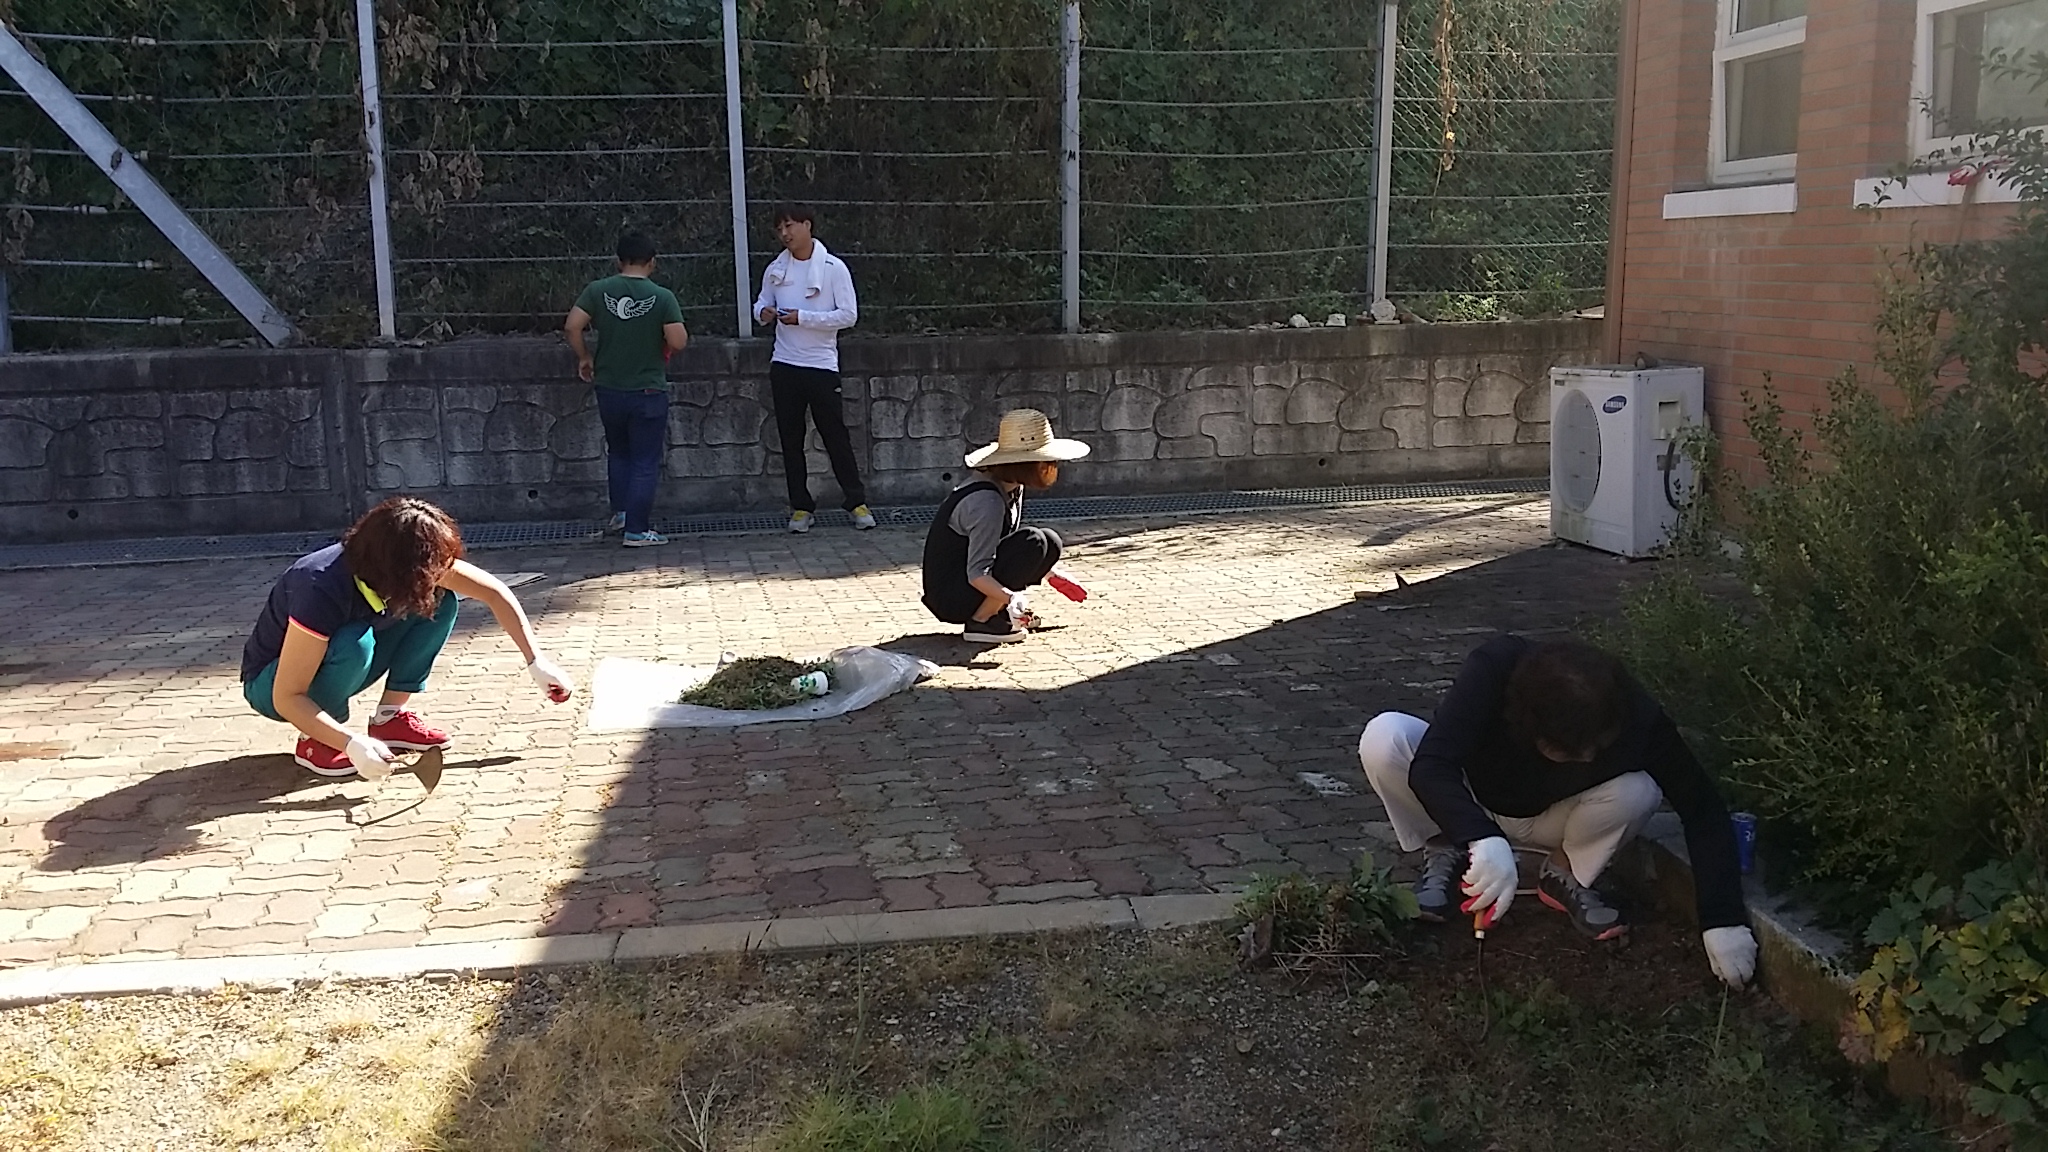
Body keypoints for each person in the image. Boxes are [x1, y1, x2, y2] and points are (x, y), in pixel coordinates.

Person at [1357, 634, 1759, 989]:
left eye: (1598, 746)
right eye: (1571, 751)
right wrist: (1479, 835)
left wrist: (1723, 920)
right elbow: (1432, 764)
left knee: (1640, 790)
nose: (1588, 758)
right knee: (1385, 736)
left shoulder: (1637, 716)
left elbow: (1703, 809)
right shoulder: (1494, 668)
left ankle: (1563, 872)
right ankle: (1445, 847)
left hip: (1554, 818)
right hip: (1469, 798)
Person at [240, 497, 575, 779]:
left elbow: (495, 593)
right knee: (353, 643)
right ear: (401, 565)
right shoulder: (320, 586)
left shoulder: (395, 559)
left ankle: (389, 719)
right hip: (272, 686)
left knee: (439, 600)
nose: (441, 570)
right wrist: (349, 742)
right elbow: (287, 696)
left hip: (331, 665)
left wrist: (536, 661)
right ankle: (316, 741)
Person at [753, 203, 874, 534]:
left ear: (807, 225)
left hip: (821, 365)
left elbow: (848, 315)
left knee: (835, 436)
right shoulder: (776, 268)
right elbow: (761, 303)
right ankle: (801, 507)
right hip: (784, 364)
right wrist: (763, 313)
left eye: (790, 225)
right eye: (779, 228)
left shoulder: (833, 268)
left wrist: (803, 318)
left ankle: (856, 502)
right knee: (790, 440)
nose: (785, 234)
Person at [921, 408, 1089, 643]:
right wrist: (1012, 598)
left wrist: (1051, 574)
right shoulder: (986, 500)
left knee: (1049, 541)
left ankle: (996, 612)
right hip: (951, 597)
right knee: (1033, 540)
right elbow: (977, 573)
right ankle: (982, 621)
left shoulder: (1012, 487)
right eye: (1044, 461)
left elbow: (1004, 549)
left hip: (968, 583)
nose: (1051, 467)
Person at [564, 232, 688, 548]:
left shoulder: (597, 290)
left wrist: (584, 356)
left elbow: (572, 325)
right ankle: (638, 529)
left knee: (618, 453)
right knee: (645, 460)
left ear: (618, 261)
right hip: (648, 390)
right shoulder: (662, 297)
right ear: (653, 262)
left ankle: (620, 514)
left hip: (609, 387)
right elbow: (678, 340)